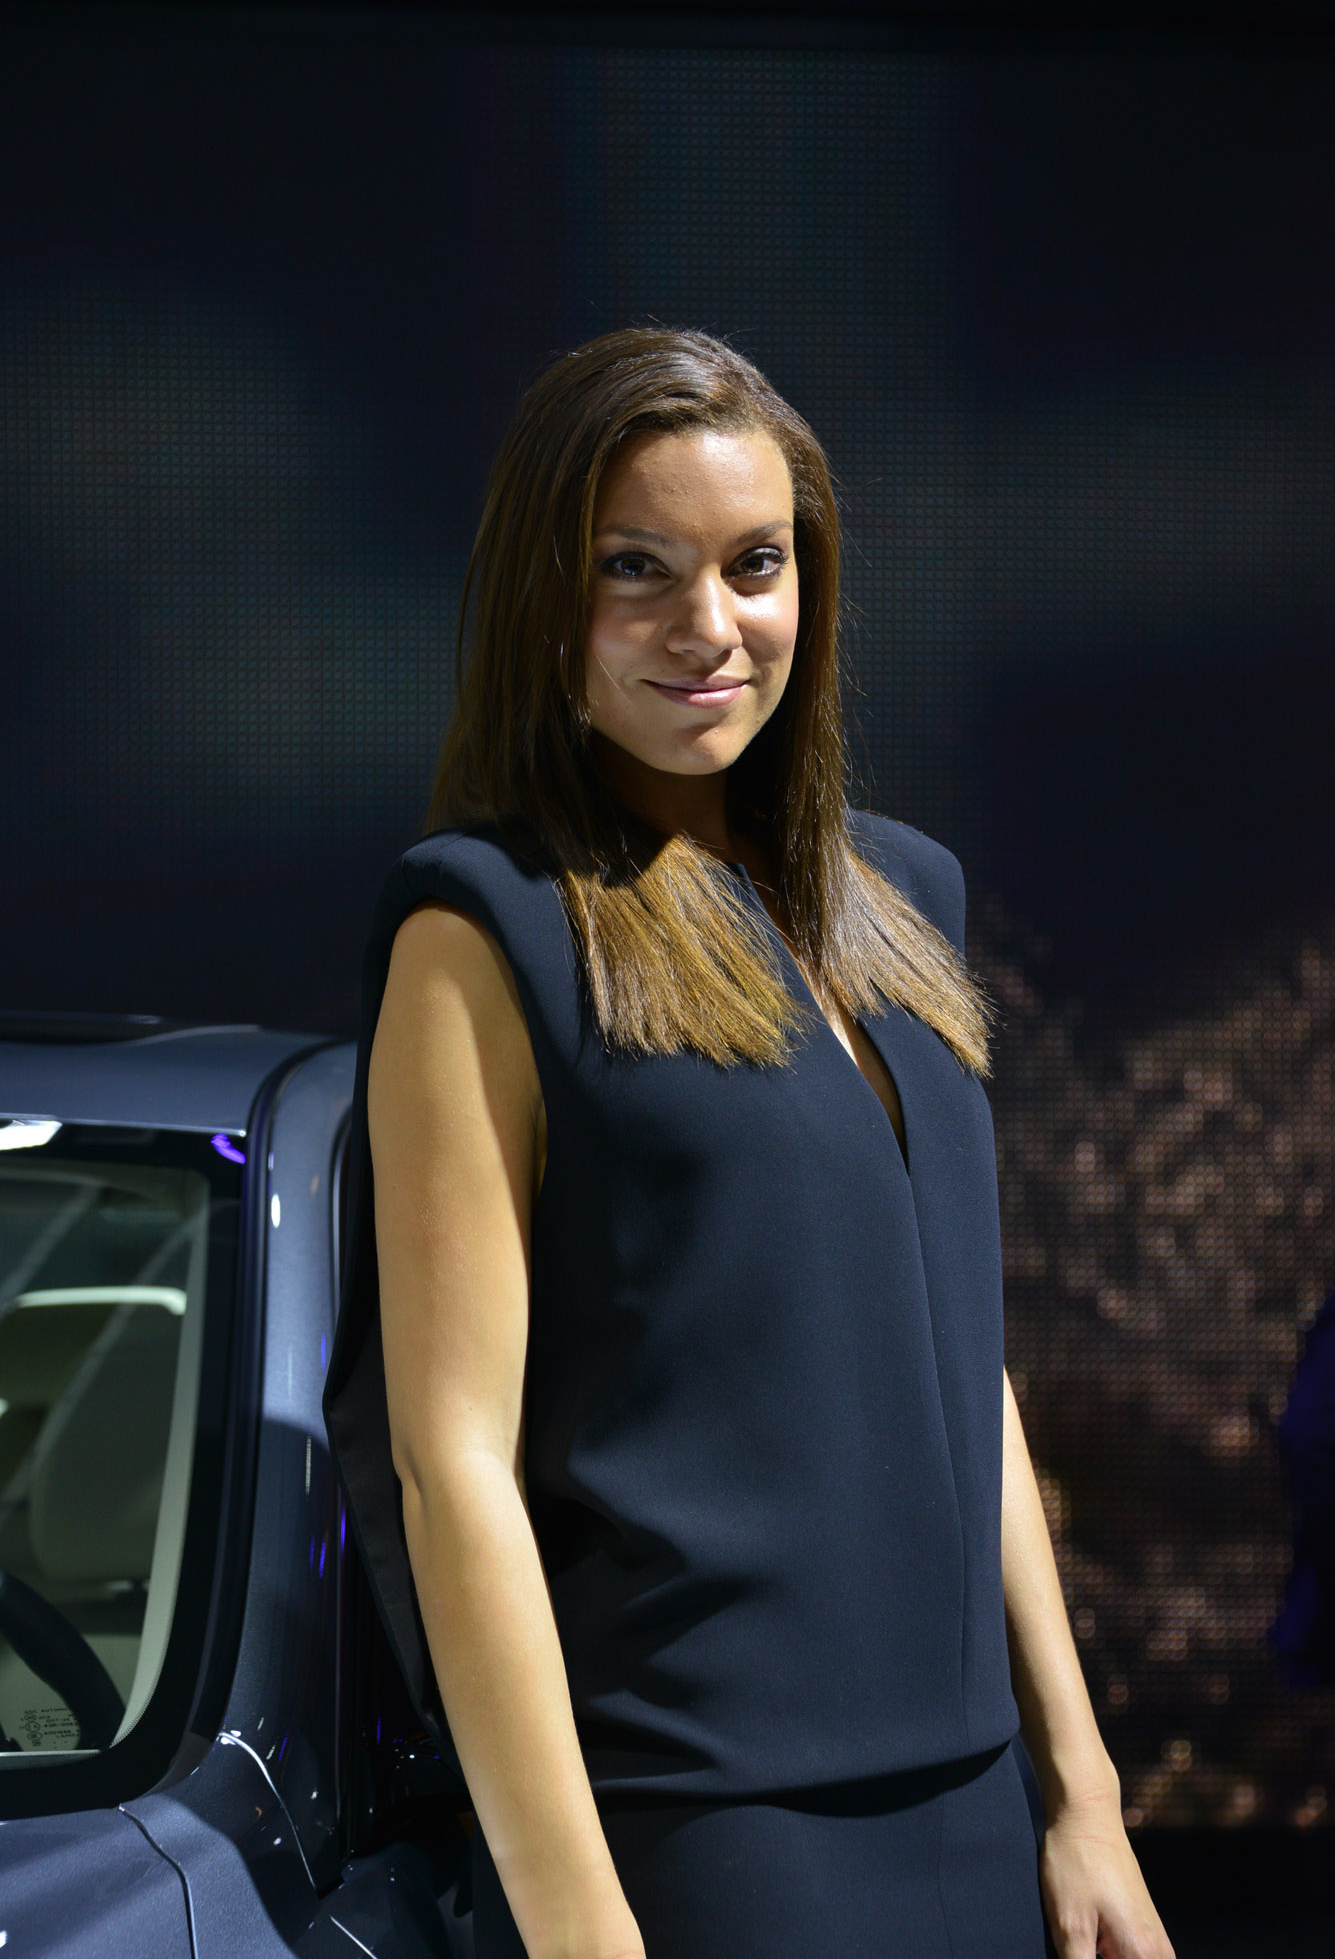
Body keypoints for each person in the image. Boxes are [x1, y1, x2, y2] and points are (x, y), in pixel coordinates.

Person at [324, 327, 1173, 1959]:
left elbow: (960, 1370)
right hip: (702, 1835)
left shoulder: (904, 898)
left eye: (755, 564)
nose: (708, 627)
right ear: (540, 602)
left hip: (973, 1811)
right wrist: (578, 1922)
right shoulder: (486, 929)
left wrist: (1081, 1792)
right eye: (636, 569)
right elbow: (453, 1468)